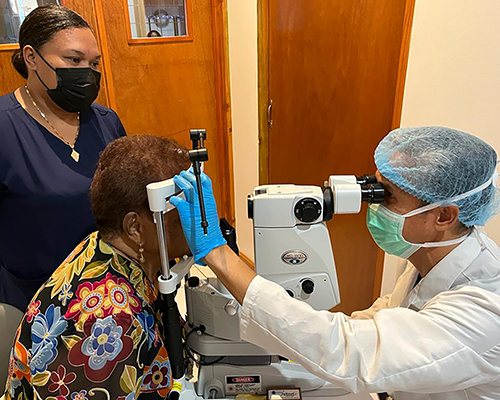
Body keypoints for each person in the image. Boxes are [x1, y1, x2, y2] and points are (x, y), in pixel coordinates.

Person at [170, 126, 500, 400]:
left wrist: (217, 253)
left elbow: (353, 354)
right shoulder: (429, 254)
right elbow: (391, 312)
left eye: (388, 196)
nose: (373, 205)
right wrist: (310, 329)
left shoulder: (483, 307)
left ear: (443, 215)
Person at [3, 134, 191, 400]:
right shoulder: (111, 322)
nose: (196, 219)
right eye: (182, 209)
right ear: (135, 227)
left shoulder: (106, 247)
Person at [0, 5, 126, 382]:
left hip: (107, 300)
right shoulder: (5, 129)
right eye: (73, 59)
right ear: (31, 58)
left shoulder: (106, 123)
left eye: (95, 63)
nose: (87, 72)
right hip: (30, 307)